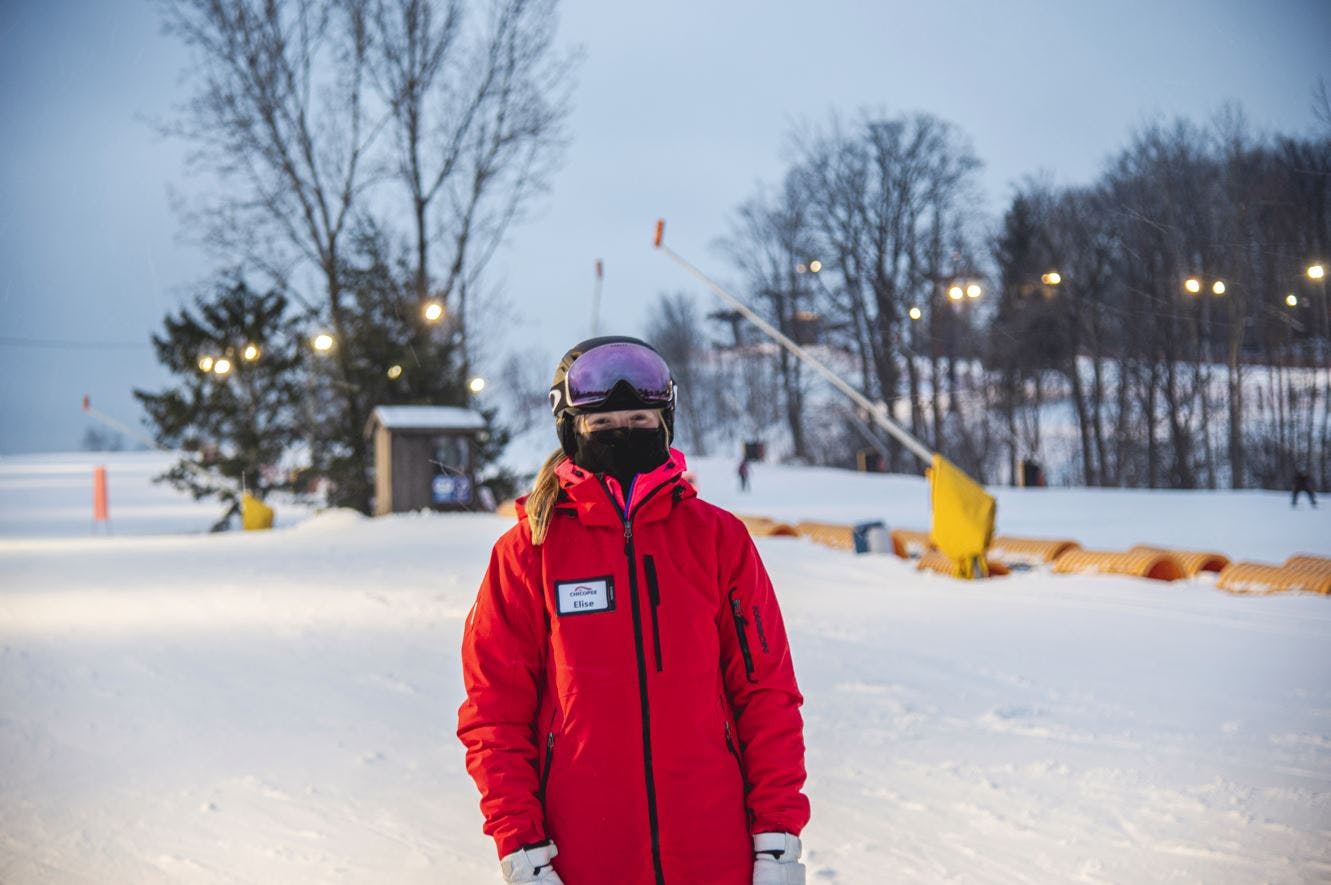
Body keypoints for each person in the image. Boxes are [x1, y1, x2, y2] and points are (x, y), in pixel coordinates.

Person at [458, 336, 810, 885]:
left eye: (640, 417)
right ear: (570, 429)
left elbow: (766, 695)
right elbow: (494, 713)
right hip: (582, 855)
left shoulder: (718, 540)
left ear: (664, 423)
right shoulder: (529, 551)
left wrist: (777, 840)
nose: (623, 432)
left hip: (715, 850)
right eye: (602, 425)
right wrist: (522, 846)